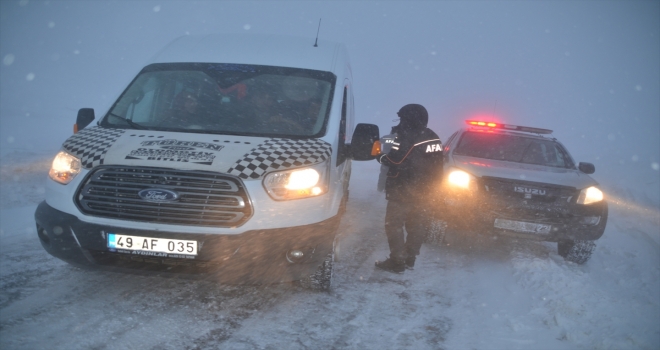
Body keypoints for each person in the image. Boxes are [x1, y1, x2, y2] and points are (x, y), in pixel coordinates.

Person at [375, 104, 444, 273]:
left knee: (394, 225)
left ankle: (397, 261)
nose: (400, 121)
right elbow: (437, 166)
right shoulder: (433, 137)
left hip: (403, 188)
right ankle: (410, 258)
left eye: (402, 118)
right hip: (426, 190)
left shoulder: (407, 136)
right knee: (416, 225)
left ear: (409, 118)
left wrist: (380, 156)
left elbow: (397, 161)